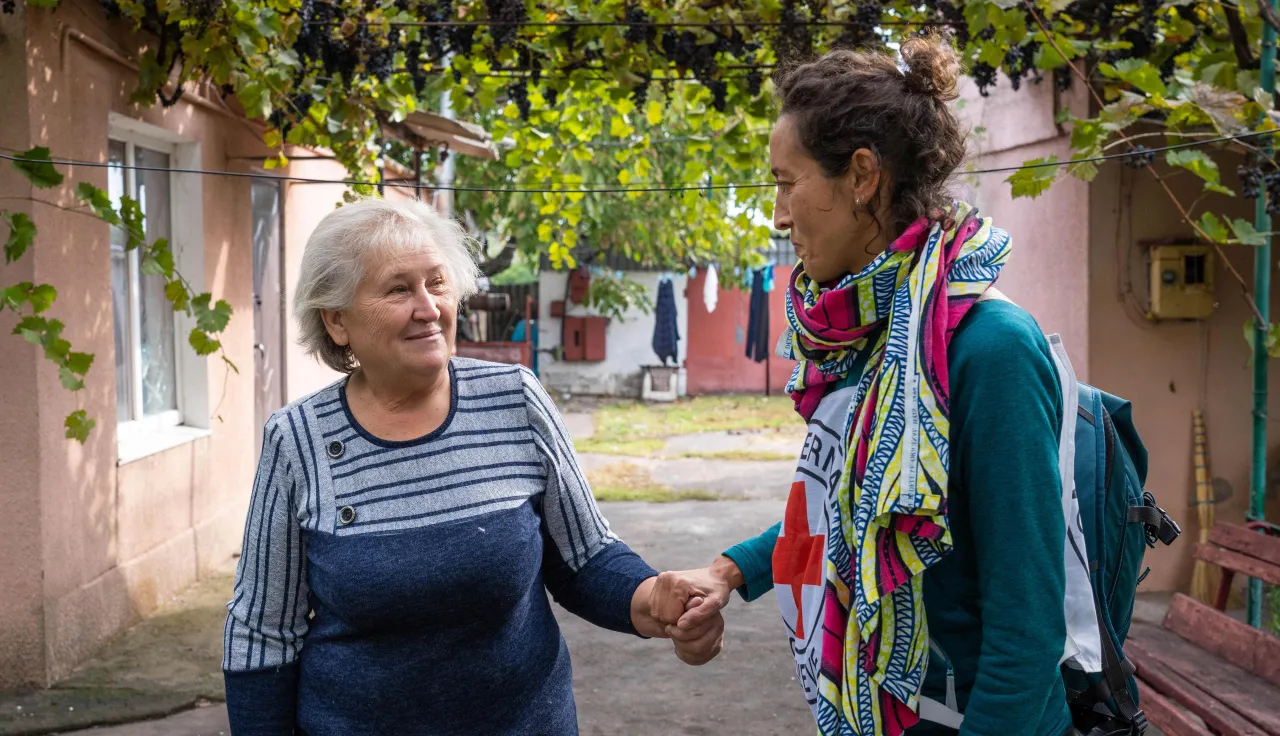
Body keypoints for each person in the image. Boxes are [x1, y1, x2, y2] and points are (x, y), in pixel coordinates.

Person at [671, 37, 1077, 736]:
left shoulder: (990, 351)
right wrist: (732, 572)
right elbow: (853, 513)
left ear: (861, 175)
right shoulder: (875, 336)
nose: (777, 214)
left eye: (786, 181)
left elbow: (1028, 632)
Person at [222, 198, 721, 735]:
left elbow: (584, 557)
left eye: (437, 283)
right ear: (337, 321)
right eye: (398, 289)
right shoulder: (298, 440)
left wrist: (654, 601)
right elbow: (263, 634)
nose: (428, 307)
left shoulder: (514, 400)